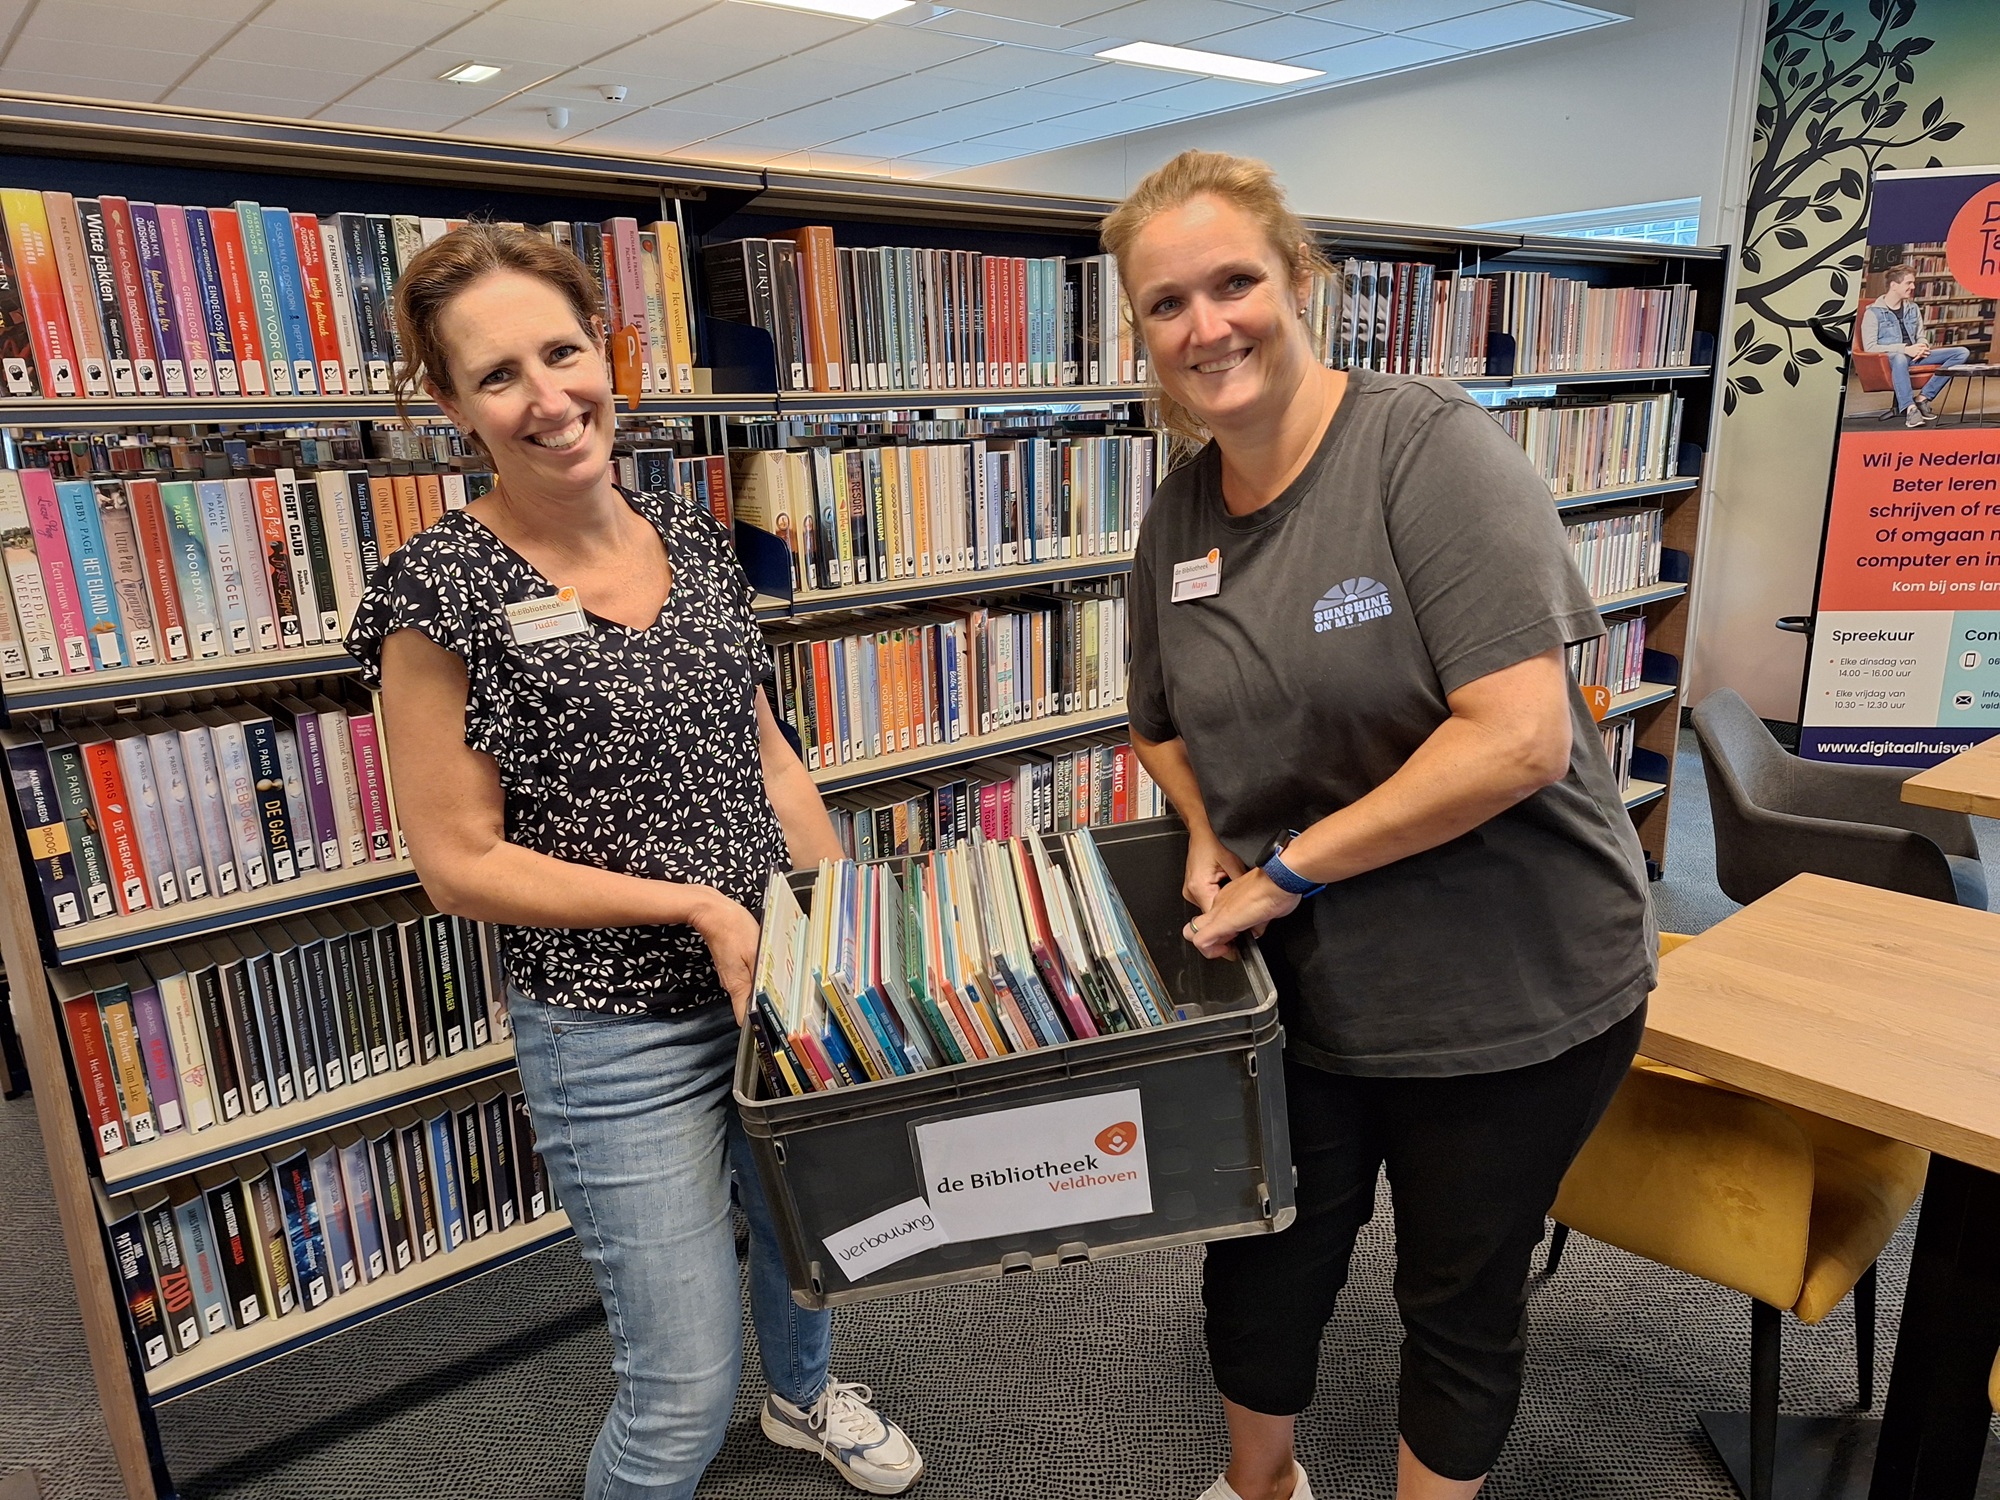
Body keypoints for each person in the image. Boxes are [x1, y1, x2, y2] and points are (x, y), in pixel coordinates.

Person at [1102, 151, 1656, 1500]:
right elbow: (1154, 718)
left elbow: (1518, 736)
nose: (1207, 324)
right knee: (1263, 1251)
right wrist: (1205, 828)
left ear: (1302, 281)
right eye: (1167, 303)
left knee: (1457, 1292)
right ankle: (1257, 1488)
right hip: (1305, 985)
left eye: (1235, 281)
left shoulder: (1426, 450)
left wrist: (1289, 863)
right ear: (1143, 335)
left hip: (1514, 982)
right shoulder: (1179, 513)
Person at [345, 224, 923, 1500]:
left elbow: (767, 760)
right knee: (674, 1396)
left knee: (804, 1245)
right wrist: (696, 907)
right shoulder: (434, 594)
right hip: (612, 1031)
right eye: (498, 376)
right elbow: (454, 863)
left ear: (605, 350)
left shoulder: (693, 537)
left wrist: (841, 930)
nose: (549, 398)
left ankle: (810, 1395)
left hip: (772, 978)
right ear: (448, 405)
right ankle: (721, 1420)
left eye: (562, 351)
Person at [1863, 263, 1970, 426]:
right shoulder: (1873, 312)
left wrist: (1922, 347)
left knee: (1961, 352)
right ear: (1894, 285)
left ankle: (1923, 397)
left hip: (1915, 354)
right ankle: (1910, 409)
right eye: (1908, 283)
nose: (1912, 287)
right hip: (1890, 357)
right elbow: (1870, 347)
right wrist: (1905, 349)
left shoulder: (1912, 308)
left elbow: (1921, 336)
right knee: (1900, 358)